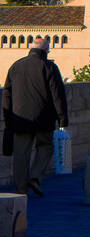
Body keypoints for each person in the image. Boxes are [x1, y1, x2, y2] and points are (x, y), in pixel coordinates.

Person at [2, 36, 69, 197]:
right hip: (43, 119)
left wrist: (8, 118)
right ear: (46, 50)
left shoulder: (15, 66)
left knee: (20, 155)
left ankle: (20, 190)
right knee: (46, 147)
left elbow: (7, 94)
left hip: (19, 119)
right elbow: (58, 96)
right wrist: (62, 119)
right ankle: (35, 177)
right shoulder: (49, 67)